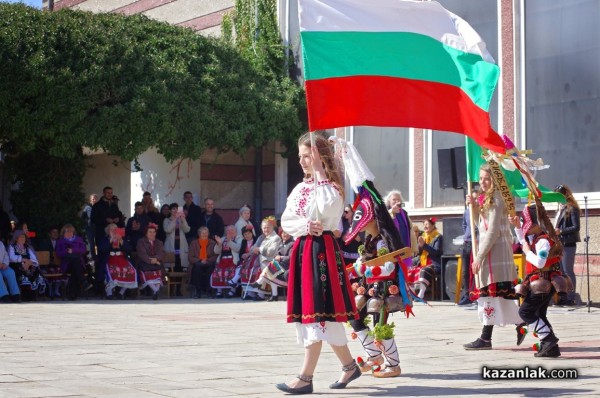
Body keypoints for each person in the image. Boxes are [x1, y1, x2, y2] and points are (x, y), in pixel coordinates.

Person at [276, 133, 359, 394]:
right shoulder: (300, 188)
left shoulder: (332, 188)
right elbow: (286, 219)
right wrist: (304, 225)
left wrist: (322, 173)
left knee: (318, 311)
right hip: (304, 249)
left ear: (319, 156)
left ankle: (306, 377)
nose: (301, 161)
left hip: (322, 252)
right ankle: (349, 366)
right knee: (322, 313)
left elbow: (329, 212)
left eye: (306, 155)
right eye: (299, 156)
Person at [344, 179, 411, 379]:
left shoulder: (383, 240)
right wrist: (352, 270)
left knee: (380, 326)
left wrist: (366, 270)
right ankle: (374, 355)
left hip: (383, 289)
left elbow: (388, 266)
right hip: (369, 288)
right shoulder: (369, 241)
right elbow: (364, 264)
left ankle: (393, 365)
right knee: (354, 317)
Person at [463, 163, 522, 350]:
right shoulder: (486, 198)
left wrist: (479, 256)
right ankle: (523, 323)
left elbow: (493, 231)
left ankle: (486, 338)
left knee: (489, 294)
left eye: (487, 178)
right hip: (490, 252)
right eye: (480, 179)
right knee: (498, 298)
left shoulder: (497, 198)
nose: (483, 182)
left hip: (495, 254)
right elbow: (480, 225)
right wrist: (473, 208)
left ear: (495, 179)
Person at [511, 203, 564, 357]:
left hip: (542, 283)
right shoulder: (537, 238)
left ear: (536, 223)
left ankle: (548, 338)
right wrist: (516, 227)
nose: (525, 226)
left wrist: (527, 252)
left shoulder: (543, 241)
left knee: (525, 312)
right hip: (541, 284)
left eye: (527, 223)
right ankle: (551, 348)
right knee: (539, 313)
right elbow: (523, 241)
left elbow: (540, 262)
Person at [553, 184, 581, 306]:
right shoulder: (561, 208)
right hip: (560, 243)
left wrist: (561, 231)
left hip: (568, 243)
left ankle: (571, 297)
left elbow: (576, 227)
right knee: (562, 271)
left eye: (558, 195)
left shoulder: (572, 208)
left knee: (568, 271)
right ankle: (563, 297)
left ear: (565, 195)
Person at [247, 216, 283, 301]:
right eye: (264, 228)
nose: (266, 230)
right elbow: (253, 247)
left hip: (273, 261)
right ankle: (274, 295)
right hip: (263, 261)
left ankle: (259, 285)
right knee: (271, 277)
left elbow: (272, 251)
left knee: (271, 275)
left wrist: (259, 249)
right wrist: (254, 249)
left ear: (272, 227)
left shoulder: (276, 238)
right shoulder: (262, 237)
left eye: (268, 227)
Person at [100, 223, 138, 300]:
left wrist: (121, 241)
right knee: (112, 272)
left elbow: (129, 249)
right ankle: (109, 292)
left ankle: (121, 292)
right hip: (109, 260)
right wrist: (110, 241)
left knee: (131, 271)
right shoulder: (105, 239)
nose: (114, 231)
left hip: (122, 259)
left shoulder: (122, 239)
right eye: (112, 229)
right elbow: (102, 250)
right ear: (108, 231)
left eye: (116, 229)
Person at [410, 217, 443, 299]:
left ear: (433, 225)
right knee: (409, 267)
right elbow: (419, 252)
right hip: (422, 261)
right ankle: (412, 293)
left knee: (424, 270)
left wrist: (424, 245)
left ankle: (421, 294)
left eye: (427, 224)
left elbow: (436, 251)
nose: (425, 226)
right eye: (424, 225)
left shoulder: (438, 237)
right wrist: (420, 246)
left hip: (434, 262)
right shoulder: (423, 236)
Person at [8, 230, 45, 300]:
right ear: (16, 239)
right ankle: (22, 295)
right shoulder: (12, 247)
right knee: (21, 273)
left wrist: (29, 263)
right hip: (16, 266)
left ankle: (31, 295)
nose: (23, 239)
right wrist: (24, 260)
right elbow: (11, 257)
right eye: (21, 237)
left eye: (24, 237)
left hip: (28, 265)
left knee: (36, 272)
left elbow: (34, 259)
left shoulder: (27, 247)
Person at [163, 203, 191, 294]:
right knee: (172, 268)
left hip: (181, 247)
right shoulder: (167, 220)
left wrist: (182, 218)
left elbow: (187, 230)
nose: (175, 211)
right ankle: (171, 290)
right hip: (171, 247)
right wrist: (175, 219)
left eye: (177, 209)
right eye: (173, 209)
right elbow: (168, 229)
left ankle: (179, 290)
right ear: (170, 210)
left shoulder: (181, 219)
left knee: (179, 267)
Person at [55, 224, 87, 301]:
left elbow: (83, 250)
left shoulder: (79, 239)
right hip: (67, 264)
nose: (69, 233)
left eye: (71, 231)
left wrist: (73, 251)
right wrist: (66, 251)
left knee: (75, 266)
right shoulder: (60, 241)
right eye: (67, 231)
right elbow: (58, 253)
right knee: (75, 263)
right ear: (63, 232)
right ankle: (83, 281)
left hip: (78, 264)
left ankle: (72, 294)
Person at [385, 190, 418, 265]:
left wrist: (415, 247)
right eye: (394, 200)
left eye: (398, 200)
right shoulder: (386, 213)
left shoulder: (404, 213)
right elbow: (386, 224)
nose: (396, 201)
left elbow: (411, 230)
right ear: (389, 201)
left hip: (405, 249)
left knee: (406, 272)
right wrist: (392, 212)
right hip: (393, 250)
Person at [136, 224, 166, 300]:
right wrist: (151, 260)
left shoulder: (159, 242)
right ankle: (156, 291)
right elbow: (142, 254)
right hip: (144, 263)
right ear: (146, 233)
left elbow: (161, 253)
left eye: (154, 232)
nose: (152, 234)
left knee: (159, 273)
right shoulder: (141, 242)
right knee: (148, 275)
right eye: (150, 232)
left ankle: (155, 291)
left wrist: (156, 259)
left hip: (156, 263)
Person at [210, 225, 241, 298]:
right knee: (218, 272)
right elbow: (216, 251)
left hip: (233, 260)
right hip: (222, 260)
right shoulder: (222, 239)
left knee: (231, 272)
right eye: (228, 230)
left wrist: (229, 241)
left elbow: (237, 249)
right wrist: (219, 244)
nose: (230, 232)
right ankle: (219, 291)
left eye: (232, 230)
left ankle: (232, 291)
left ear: (235, 232)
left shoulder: (239, 238)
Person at [188, 226, 218, 298]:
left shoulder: (213, 242)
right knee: (197, 268)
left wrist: (207, 260)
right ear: (199, 234)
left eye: (206, 233)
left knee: (211, 268)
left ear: (208, 234)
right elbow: (190, 257)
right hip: (198, 262)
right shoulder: (194, 243)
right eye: (202, 233)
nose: (204, 234)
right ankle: (198, 291)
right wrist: (200, 260)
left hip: (209, 262)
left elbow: (216, 255)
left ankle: (209, 291)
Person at [457, 202, 476, 306]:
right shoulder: (467, 212)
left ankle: (475, 294)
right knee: (465, 271)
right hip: (467, 242)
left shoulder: (479, 210)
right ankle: (467, 294)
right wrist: (466, 235)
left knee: (475, 271)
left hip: (476, 242)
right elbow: (464, 225)